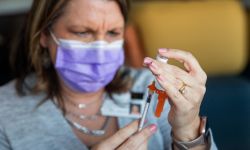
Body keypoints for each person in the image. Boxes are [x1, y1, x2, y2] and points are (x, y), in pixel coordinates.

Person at [0, 0, 217, 150]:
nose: (101, 48)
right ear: (45, 35)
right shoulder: (5, 113)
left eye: (113, 33)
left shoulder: (153, 89)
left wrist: (188, 129)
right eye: (82, 32)